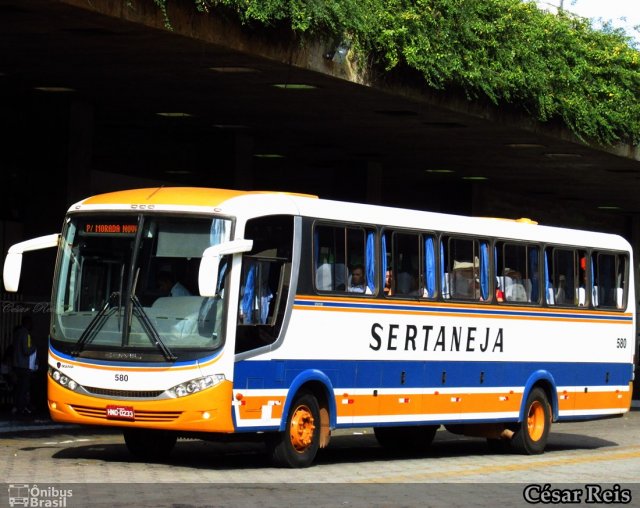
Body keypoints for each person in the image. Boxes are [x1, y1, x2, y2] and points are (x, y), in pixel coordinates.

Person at [12, 315, 36, 416]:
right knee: (24, 388)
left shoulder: (17, 333)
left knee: (18, 388)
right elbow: (27, 350)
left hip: (16, 365)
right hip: (24, 366)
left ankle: (16, 407)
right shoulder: (27, 335)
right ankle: (21, 408)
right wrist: (34, 347)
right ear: (28, 323)